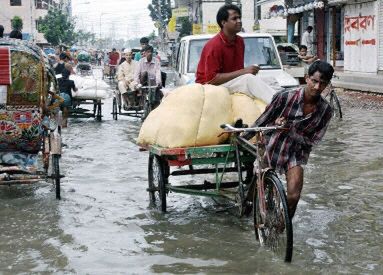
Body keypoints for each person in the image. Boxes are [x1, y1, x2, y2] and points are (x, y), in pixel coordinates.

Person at [244, 60, 334, 220]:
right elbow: (262, 121)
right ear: (307, 78)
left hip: (296, 153)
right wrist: (242, 138)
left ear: (327, 85)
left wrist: (290, 130)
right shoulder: (284, 97)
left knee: (293, 196)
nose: (317, 87)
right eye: (314, 81)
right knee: (259, 186)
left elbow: (313, 141)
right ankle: (249, 204)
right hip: (271, 146)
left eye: (323, 84)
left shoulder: (325, 110)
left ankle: (281, 230)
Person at [195, 4, 275, 103]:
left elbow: (238, 73)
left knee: (269, 80)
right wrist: (244, 72)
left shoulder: (240, 41)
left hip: (228, 83)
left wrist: (248, 71)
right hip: (210, 87)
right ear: (223, 22)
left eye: (239, 18)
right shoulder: (214, 45)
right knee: (248, 79)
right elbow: (211, 79)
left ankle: (282, 101)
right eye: (234, 18)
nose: (239, 21)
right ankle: (280, 104)